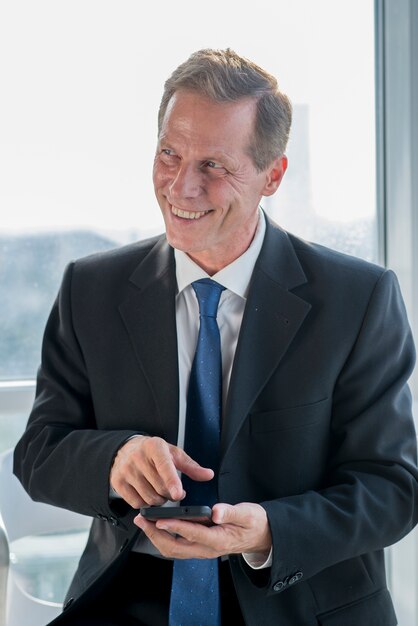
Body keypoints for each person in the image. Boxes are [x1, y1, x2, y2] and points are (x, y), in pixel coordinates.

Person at [14, 48, 418, 626]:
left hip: (298, 602)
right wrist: (116, 459)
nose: (181, 187)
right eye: (170, 155)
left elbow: (392, 488)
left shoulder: (358, 299)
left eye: (214, 166)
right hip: (128, 598)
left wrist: (266, 532)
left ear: (272, 174)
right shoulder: (90, 288)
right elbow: (39, 452)